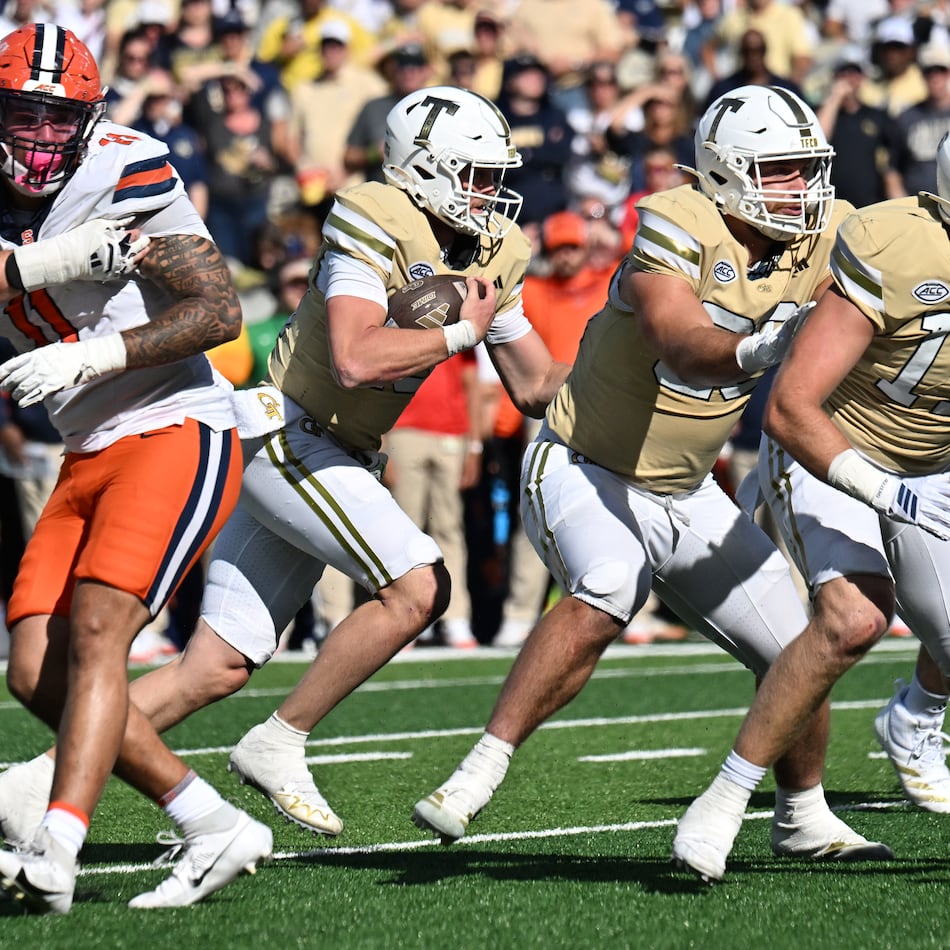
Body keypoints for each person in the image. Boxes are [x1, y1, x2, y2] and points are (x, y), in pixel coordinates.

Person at [0, 84, 569, 845]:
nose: (490, 194)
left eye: (494, 175)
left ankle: (32, 784)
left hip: (338, 451)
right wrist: (460, 336)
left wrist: (632, 369)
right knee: (419, 584)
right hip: (289, 433)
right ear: (422, 168)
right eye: (472, 175)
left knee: (215, 667)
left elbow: (535, 385)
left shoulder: (498, 248)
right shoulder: (375, 214)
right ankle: (280, 739)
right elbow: (357, 355)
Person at [411, 86, 892, 874]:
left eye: (808, 167)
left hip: (690, 486)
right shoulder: (677, 219)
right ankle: (480, 769)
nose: (800, 187)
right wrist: (754, 350)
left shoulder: (829, 231)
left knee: (799, 648)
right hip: (585, 462)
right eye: (778, 171)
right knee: (608, 583)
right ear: (727, 173)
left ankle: (803, 814)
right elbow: (678, 342)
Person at [0, 24, 271, 913]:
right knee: (31, 669)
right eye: (23, 116)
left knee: (99, 635)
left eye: (58, 120)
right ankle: (208, 821)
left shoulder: (124, 164)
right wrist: (52, 261)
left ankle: (58, 843)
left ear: (89, 121)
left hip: (171, 422)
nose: (41, 139)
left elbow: (220, 310)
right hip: (84, 445)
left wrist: (97, 355)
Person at [671, 134, 950, 883]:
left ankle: (916, 717)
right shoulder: (899, 242)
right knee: (854, 618)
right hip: (834, 445)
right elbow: (791, 406)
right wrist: (884, 489)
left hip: (936, 468)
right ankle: (726, 800)